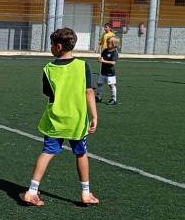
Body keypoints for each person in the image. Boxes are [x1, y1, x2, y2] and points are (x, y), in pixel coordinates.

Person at [20, 27, 99, 207]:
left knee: (47, 152)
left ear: (58, 46)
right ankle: (85, 193)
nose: (50, 48)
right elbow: (89, 92)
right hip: (77, 120)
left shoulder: (48, 69)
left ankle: (32, 191)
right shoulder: (82, 65)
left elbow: (48, 93)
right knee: (81, 153)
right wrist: (94, 115)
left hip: (55, 118)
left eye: (51, 45)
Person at [97, 36, 119, 105]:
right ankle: (99, 97)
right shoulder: (105, 50)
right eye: (107, 42)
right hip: (103, 72)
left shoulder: (115, 53)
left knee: (111, 85)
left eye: (108, 43)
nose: (106, 44)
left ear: (113, 44)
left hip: (110, 73)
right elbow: (102, 58)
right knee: (99, 84)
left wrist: (103, 61)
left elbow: (113, 62)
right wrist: (100, 59)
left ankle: (113, 99)